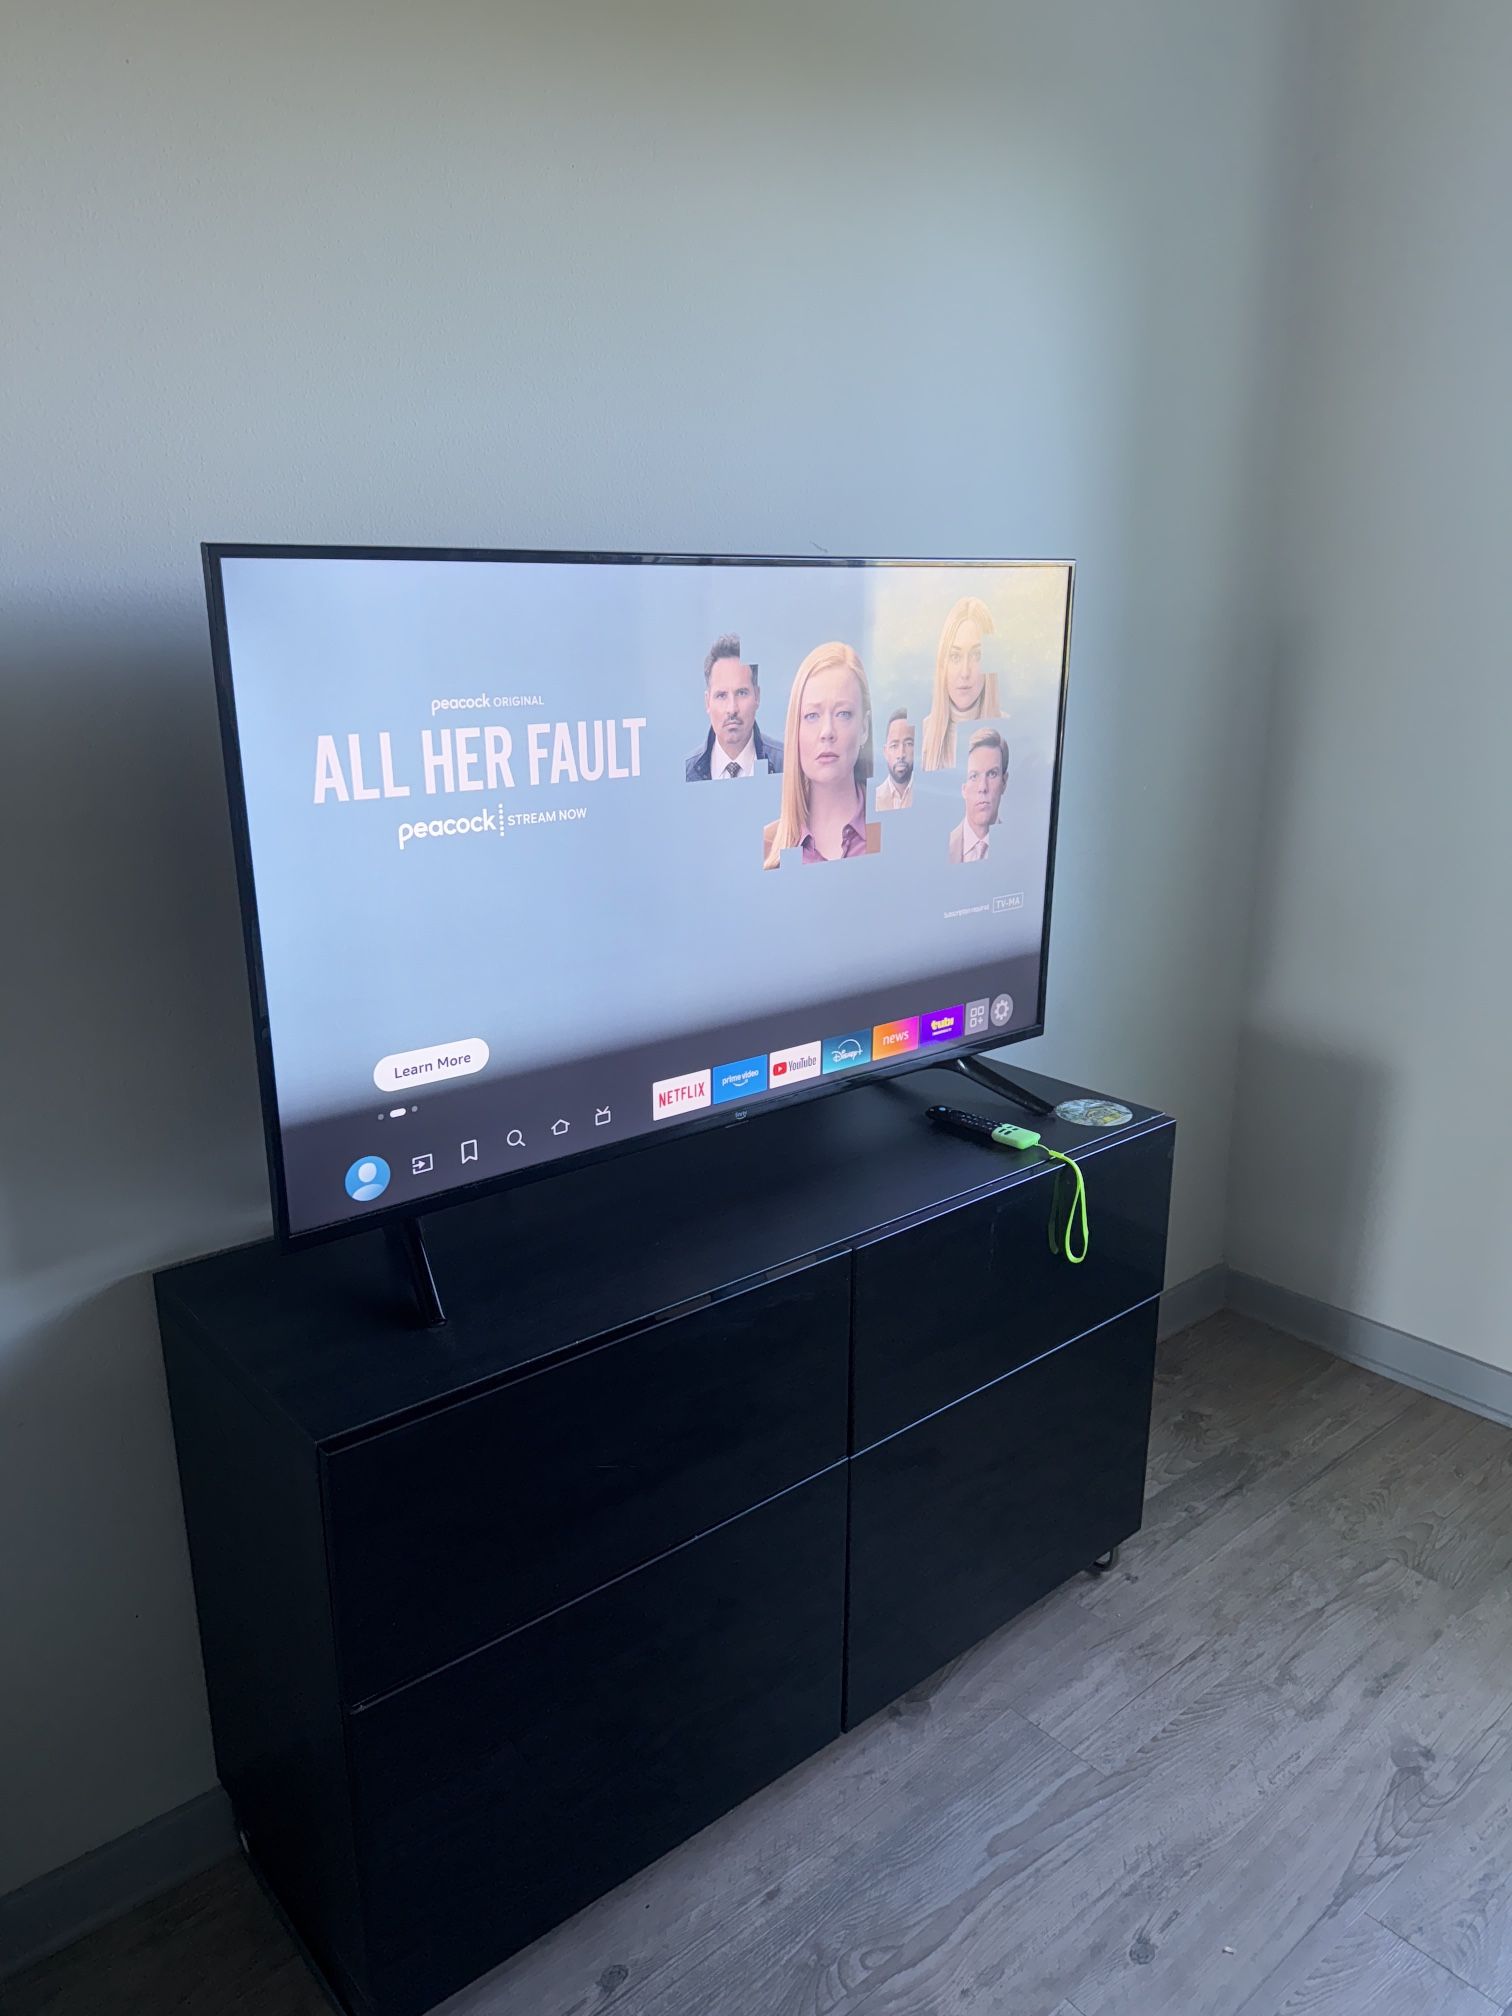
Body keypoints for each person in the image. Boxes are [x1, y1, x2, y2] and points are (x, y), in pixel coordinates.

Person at [762, 642, 881, 867]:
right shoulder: (765, 849)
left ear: (864, 728)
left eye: (843, 714)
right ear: (795, 730)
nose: (827, 732)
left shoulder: (894, 836)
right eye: (812, 716)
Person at [685, 634, 783, 779]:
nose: (732, 709)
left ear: (757, 696)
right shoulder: (686, 774)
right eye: (721, 695)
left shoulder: (786, 764)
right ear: (707, 702)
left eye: (742, 693)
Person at [921, 596, 1000, 771]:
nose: (965, 672)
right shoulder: (922, 736)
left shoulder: (1010, 731)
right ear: (943, 664)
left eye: (976, 656)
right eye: (955, 657)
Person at [948, 728, 1009, 864]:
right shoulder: (944, 845)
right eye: (974, 776)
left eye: (992, 774)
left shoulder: (1018, 846)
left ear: (1004, 782)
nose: (983, 787)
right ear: (963, 788)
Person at [875, 708, 915, 810]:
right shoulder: (874, 800)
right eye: (894, 745)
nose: (901, 754)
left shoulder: (929, 794)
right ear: (885, 752)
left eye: (908, 744)